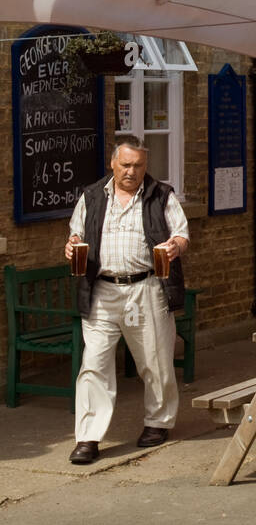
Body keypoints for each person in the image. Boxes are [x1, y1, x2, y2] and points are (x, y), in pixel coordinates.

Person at [65, 135, 190, 466]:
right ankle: (88, 438)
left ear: (145, 166)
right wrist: (72, 244)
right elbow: (75, 233)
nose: (132, 172)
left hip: (144, 289)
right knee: (94, 364)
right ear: (113, 164)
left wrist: (175, 246)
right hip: (102, 291)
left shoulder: (161, 195)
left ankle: (158, 422)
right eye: (126, 165)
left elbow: (181, 233)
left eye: (138, 165)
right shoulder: (92, 196)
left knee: (155, 360)